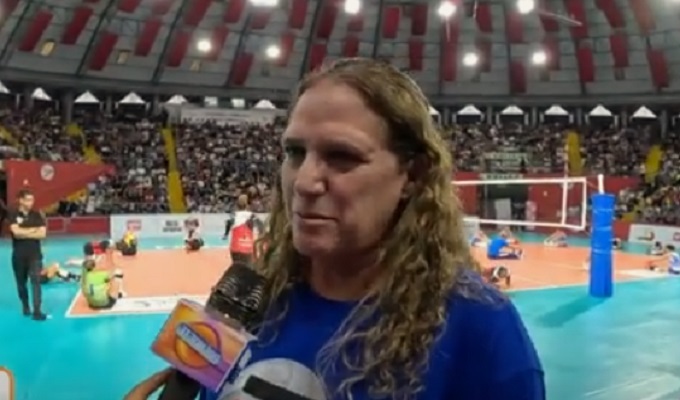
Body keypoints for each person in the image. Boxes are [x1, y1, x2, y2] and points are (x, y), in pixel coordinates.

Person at [127, 58, 543, 400]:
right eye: (294, 152)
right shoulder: (243, 296)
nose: (304, 182)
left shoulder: (479, 327)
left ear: (412, 175)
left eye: (342, 156)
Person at [8, 189, 48, 320]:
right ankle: (25, 306)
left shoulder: (37, 215)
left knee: (36, 282)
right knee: (21, 284)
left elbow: (42, 234)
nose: (31, 203)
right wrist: (33, 230)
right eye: (28, 200)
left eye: (32, 200)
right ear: (21, 200)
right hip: (19, 256)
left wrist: (23, 232)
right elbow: (16, 233)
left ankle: (37, 311)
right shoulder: (13, 214)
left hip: (35, 255)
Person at [224, 194, 263, 264]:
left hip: (235, 247)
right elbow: (261, 226)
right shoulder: (251, 215)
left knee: (237, 266)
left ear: (237, 205)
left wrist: (226, 234)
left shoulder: (234, 215)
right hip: (247, 247)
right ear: (247, 205)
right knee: (247, 268)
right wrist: (261, 236)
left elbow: (228, 223)